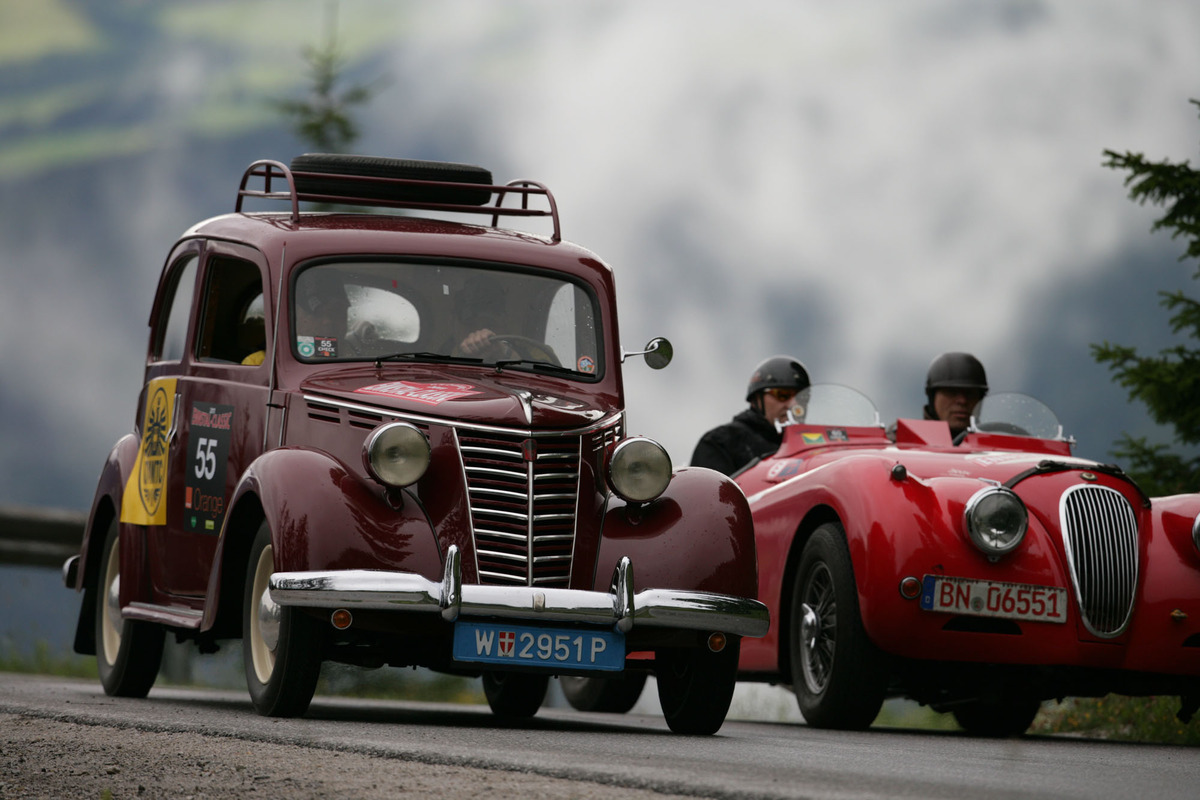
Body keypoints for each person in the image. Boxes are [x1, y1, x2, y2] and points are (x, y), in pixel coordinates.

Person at [691, 355, 810, 476]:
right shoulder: (721, 442)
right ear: (756, 399)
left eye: (803, 397)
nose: (794, 405)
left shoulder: (813, 445)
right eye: (782, 395)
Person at [923, 351, 988, 437]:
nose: (962, 401)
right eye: (951, 392)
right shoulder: (907, 443)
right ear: (932, 397)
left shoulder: (993, 444)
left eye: (970, 393)